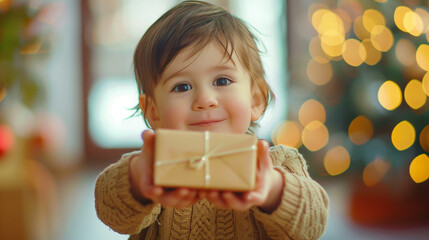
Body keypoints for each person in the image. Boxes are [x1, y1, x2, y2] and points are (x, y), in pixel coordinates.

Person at [94, 1, 329, 239]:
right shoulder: (155, 168)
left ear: (256, 100)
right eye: (182, 86)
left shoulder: (276, 164)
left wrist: (271, 188)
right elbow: (111, 210)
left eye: (222, 81)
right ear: (153, 112)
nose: (205, 100)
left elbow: (313, 223)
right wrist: (137, 178)